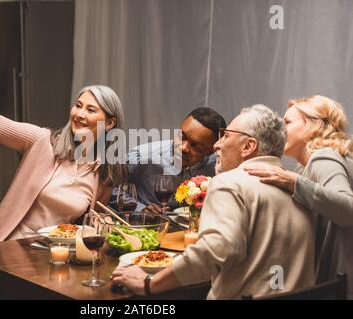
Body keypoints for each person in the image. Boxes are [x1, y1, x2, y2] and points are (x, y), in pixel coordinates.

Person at [111, 105, 316, 299]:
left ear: (248, 146)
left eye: (226, 136)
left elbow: (211, 254)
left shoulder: (227, 183)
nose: (217, 145)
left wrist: (149, 284)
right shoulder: (300, 188)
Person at [0, 68, 126, 245]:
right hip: (6, 248)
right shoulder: (42, 141)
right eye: (78, 105)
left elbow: (91, 223)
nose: (80, 114)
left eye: (91, 110)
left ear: (109, 123)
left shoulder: (104, 173)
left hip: (55, 257)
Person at [244, 95, 353, 298]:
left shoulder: (323, 157)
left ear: (314, 125)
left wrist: (293, 182)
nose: (281, 129)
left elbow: (348, 209)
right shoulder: (331, 155)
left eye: (287, 122)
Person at [118, 107, 226, 213]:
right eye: (181, 136)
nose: (183, 147)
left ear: (211, 150)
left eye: (195, 146)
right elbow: (112, 189)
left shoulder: (218, 167)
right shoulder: (143, 156)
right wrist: (139, 208)